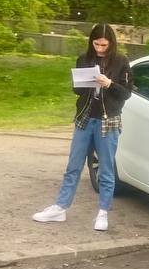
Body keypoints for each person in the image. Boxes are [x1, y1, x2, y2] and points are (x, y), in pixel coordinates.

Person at [33, 23, 132, 231]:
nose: (100, 49)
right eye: (96, 44)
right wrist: (83, 83)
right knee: (73, 166)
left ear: (111, 43)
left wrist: (109, 84)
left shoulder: (121, 61)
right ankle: (60, 207)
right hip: (85, 117)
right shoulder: (84, 58)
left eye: (104, 45)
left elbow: (126, 93)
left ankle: (103, 212)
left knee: (106, 168)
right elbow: (76, 90)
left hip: (108, 120)